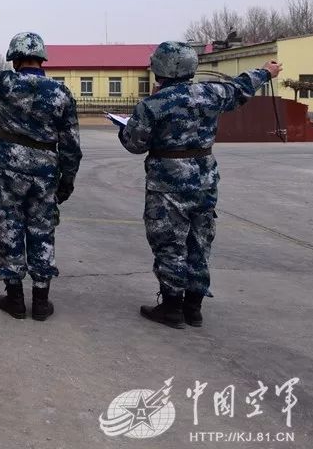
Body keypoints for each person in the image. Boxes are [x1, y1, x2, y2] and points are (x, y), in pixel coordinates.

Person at [117, 41, 282, 329]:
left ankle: (171, 308)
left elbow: (135, 144)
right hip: (205, 181)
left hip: (167, 184)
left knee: (169, 243)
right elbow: (240, 87)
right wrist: (266, 72)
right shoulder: (212, 93)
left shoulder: (152, 104)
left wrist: (124, 128)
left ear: (163, 68)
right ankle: (194, 308)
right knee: (199, 242)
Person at [0, 0, 82, 321]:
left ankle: (15, 298)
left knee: (10, 226)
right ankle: (42, 301)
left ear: (15, 60)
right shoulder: (61, 94)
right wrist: (67, 180)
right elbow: (72, 145)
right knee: (42, 229)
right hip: (46, 173)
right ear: (42, 58)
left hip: (10, 170)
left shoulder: (6, 83)